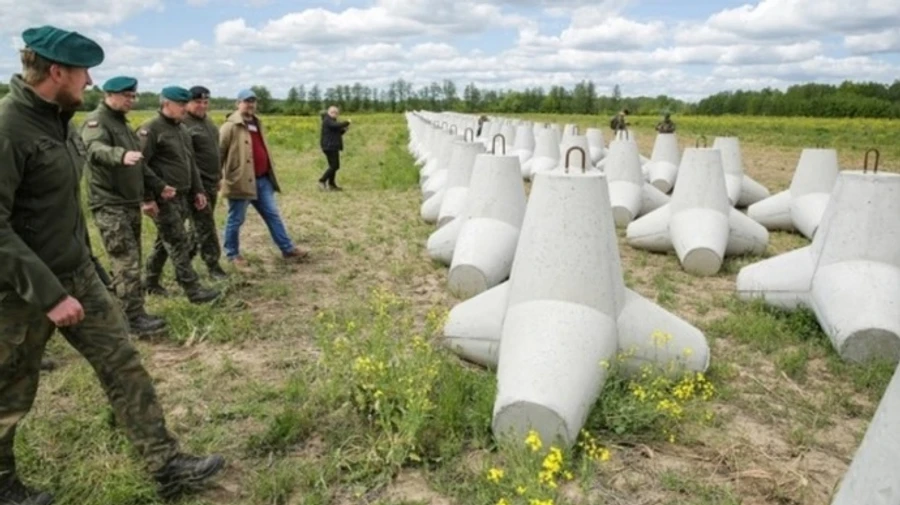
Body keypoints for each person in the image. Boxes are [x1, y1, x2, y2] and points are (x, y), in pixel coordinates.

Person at [0, 25, 225, 504]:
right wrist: (49, 295)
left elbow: (60, 208)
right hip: (20, 291)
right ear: (56, 72)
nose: (90, 82)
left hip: (76, 274)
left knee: (123, 362)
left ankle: (165, 465)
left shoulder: (59, 122)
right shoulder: (9, 128)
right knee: (9, 393)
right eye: (84, 72)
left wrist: (88, 266)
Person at [81, 75, 168, 338]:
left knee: (131, 260)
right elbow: (93, 148)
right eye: (126, 96)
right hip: (110, 203)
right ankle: (131, 319)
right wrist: (120, 155)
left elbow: (140, 164)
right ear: (109, 95)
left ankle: (131, 311)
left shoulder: (122, 123)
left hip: (128, 202)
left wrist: (159, 186)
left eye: (133, 96)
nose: (132, 100)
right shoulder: (97, 121)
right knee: (125, 261)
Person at [137, 87, 220, 303]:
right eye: (181, 104)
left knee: (164, 241)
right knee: (178, 241)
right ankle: (193, 290)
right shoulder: (151, 129)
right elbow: (139, 166)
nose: (185, 108)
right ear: (166, 104)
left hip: (183, 195)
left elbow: (190, 163)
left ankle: (150, 281)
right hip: (162, 197)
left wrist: (198, 190)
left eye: (185, 104)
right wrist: (147, 198)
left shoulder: (182, 129)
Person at [219, 89, 309, 265]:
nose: (250, 105)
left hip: (262, 180)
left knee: (272, 215)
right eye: (247, 101)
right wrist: (218, 177)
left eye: (253, 101)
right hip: (240, 181)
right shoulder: (229, 126)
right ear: (238, 103)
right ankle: (232, 255)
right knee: (236, 219)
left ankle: (288, 249)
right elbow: (219, 153)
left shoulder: (257, 122)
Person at [178, 86, 227, 280]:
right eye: (198, 102)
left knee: (198, 226)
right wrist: (196, 187)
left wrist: (219, 176)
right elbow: (186, 159)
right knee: (205, 225)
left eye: (205, 102)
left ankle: (186, 261)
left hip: (211, 181)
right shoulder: (183, 124)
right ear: (188, 103)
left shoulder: (208, 122)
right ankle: (213, 266)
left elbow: (214, 152)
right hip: (195, 185)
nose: (202, 106)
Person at [317, 105, 351, 191]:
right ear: (328, 112)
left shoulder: (332, 121)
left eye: (336, 113)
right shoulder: (327, 120)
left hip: (332, 146)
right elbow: (336, 125)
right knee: (335, 166)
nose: (334, 114)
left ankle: (331, 185)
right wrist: (347, 122)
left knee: (333, 166)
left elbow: (337, 132)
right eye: (332, 112)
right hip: (329, 146)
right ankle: (322, 181)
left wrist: (344, 130)